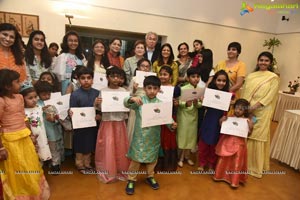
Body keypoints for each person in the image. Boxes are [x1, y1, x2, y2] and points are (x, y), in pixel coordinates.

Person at [0, 69, 50, 199]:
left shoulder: (19, 97)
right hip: (10, 141)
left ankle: (33, 192)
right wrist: (1, 148)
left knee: (31, 164)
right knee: (16, 169)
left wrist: (31, 135)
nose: (21, 84)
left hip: (24, 137)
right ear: (7, 86)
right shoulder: (1, 101)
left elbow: (24, 118)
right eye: (17, 82)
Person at [124, 75, 177, 195]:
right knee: (136, 160)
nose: (152, 91)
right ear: (145, 88)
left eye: (155, 88)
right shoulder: (140, 101)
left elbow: (166, 119)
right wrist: (131, 99)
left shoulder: (160, 104)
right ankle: (131, 179)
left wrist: (172, 124)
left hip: (153, 138)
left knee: (152, 159)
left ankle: (150, 176)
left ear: (159, 89)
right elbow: (126, 104)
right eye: (149, 88)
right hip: (140, 138)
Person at [241, 51, 279, 178]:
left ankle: (254, 167)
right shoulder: (251, 76)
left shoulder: (273, 77)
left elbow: (269, 96)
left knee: (257, 135)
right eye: (261, 60)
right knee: (246, 134)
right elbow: (245, 91)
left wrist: (254, 107)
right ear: (257, 61)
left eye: (266, 60)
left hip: (262, 111)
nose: (263, 62)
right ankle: (242, 164)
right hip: (247, 110)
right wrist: (245, 108)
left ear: (270, 63)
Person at [94, 66, 130, 183]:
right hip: (107, 122)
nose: (115, 79)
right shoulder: (103, 91)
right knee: (108, 146)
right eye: (113, 76)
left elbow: (127, 107)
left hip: (120, 122)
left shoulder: (124, 91)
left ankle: (121, 170)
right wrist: (97, 103)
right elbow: (99, 108)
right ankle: (109, 171)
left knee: (120, 146)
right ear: (107, 77)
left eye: (118, 77)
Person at [213, 99, 254, 188]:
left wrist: (250, 127)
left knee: (237, 161)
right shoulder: (229, 117)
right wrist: (221, 121)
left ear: (245, 111)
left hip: (239, 144)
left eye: (241, 109)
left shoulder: (247, 121)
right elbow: (222, 127)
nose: (238, 111)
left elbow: (249, 134)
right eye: (236, 108)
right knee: (224, 159)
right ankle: (220, 175)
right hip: (227, 142)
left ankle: (234, 180)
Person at [69, 66, 99, 174]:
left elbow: (99, 109)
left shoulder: (97, 93)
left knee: (90, 143)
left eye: (89, 78)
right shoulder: (75, 94)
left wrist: (98, 115)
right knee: (80, 144)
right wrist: (71, 113)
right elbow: (72, 110)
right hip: (80, 126)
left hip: (92, 125)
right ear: (78, 79)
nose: (86, 80)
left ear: (92, 79)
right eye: (83, 78)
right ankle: (79, 164)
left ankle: (87, 164)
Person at [198, 70, 230, 171]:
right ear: (215, 80)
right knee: (204, 143)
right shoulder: (209, 92)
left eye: (224, 81)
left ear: (226, 82)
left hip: (219, 122)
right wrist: (203, 100)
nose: (221, 83)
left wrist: (225, 117)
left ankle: (212, 164)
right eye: (219, 80)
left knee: (214, 144)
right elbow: (205, 107)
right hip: (208, 119)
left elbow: (227, 110)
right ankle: (202, 163)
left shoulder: (228, 94)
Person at [35, 80, 64, 174]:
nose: (47, 97)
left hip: (52, 130)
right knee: (41, 147)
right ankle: (42, 164)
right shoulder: (36, 104)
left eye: (48, 94)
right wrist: (41, 110)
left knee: (54, 148)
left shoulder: (53, 102)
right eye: (44, 95)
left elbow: (59, 116)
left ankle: (55, 165)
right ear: (38, 94)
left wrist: (55, 119)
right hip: (41, 132)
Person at [176, 67, 202, 168]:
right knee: (183, 136)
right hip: (183, 116)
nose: (196, 79)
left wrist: (196, 103)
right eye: (193, 76)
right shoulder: (182, 88)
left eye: (198, 76)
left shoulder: (199, 90)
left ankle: (187, 156)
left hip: (193, 116)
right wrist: (185, 103)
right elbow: (179, 103)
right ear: (188, 78)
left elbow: (200, 105)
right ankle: (181, 157)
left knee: (191, 137)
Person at [155, 66, 179, 171]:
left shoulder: (175, 89)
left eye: (165, 74)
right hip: (157, 116)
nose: (162, 76)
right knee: (158, 138)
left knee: (169, 139)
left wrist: (176, 103)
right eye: (161, 74)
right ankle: (157, 164)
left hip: (170, 116)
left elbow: (177, 103)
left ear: (170, 76)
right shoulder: (155, 87)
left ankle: (168, 164)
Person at [20, 83, 52, 162]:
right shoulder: (23, 111)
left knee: (42, 151)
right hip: (32, 137)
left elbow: (44, 110)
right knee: (33, 154)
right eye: (30, 98)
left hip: (41, 135)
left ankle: (41, 169)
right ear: (23, 99)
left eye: (35, 97)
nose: (34, 100)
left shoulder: (38, 107)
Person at [127, 58, 151, 144]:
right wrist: (134, 90)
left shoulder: (152, 79)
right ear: (138, 67)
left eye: (147, 66)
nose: (145, 68)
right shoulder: (134, 79)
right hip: (136, 105)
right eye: (143, 66)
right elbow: (129, 96)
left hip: (148, 105)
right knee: (134, 127)